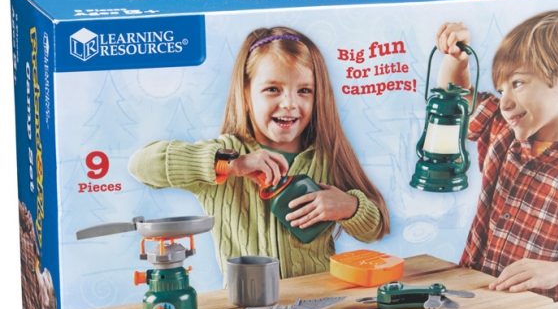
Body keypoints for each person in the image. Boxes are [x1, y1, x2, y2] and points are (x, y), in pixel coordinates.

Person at [129, 26, 390, 280]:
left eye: (304, 91)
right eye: (273, 89)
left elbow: (375, 229)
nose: (289, 103)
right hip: (245, 299)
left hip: (318, 298)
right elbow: (140, 165)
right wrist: (231, 163)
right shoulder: (225, 157)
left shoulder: (326, 156)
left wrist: (349, 207)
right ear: (245, 94)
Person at [436, 11, 558, 307]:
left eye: (517, 83)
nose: (504, 103)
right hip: (479, 304)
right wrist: (456, 58)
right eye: (501, 90)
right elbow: (457, 100)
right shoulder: (505, 133)